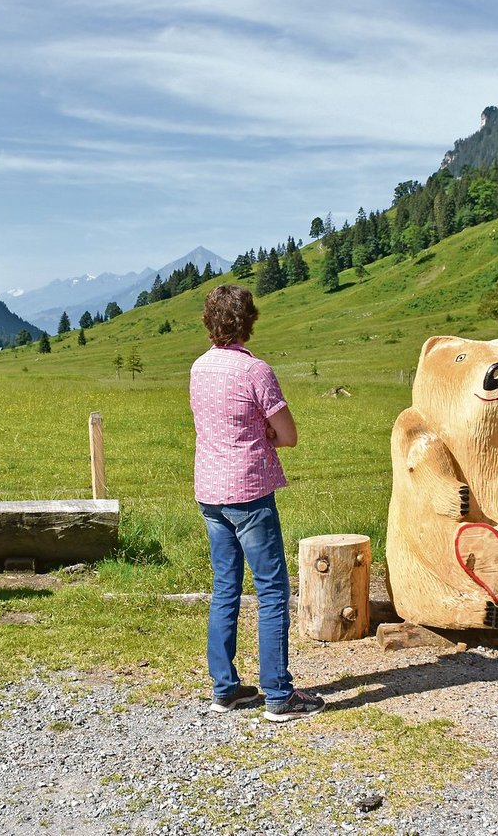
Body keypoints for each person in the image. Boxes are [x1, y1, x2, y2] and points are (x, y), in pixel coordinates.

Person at [189, 284, 324, 722]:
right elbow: (289, 434)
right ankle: (278, 694)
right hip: (248, 491)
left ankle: (225, 689)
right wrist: (263, 434)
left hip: (209, 491)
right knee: (271, 590)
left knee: (225, 588)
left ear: (210, 323)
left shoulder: (198, 368)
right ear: (249, 321)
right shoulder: (256, 371)